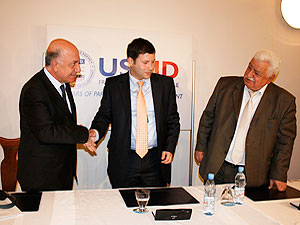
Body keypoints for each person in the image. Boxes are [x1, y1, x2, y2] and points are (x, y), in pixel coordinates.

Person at [194, 49, 296, 191]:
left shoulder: (284, 101)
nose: (249, 74)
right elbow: (208, 118)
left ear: (270, 78)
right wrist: (201, 146)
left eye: (257, 73)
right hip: (217, 166)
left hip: (252, 174)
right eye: (249, 67)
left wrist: (279, 174)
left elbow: (285, 142)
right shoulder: (225, 86)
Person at [89, 38, 180, 188]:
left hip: (155, 160)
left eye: (153, 62)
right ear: (131, 61)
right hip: (125, 160)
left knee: (156, 204)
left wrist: (169, 148)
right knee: (124, 206)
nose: (151, 67)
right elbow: (104, 115)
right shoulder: (114, 85)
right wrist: (95, 132)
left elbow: (173, 120)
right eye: (145, 63)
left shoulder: (165, 84)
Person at [18, 39, 96, 191]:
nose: (78, 69)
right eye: (73, 64)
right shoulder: (34, 90)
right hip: (41, 177)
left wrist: (76, 132)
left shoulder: (64, 84)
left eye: (78, 63)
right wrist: (82, 134)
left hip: (61, 174)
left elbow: (61, 122)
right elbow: (45, 133)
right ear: (55, 65)